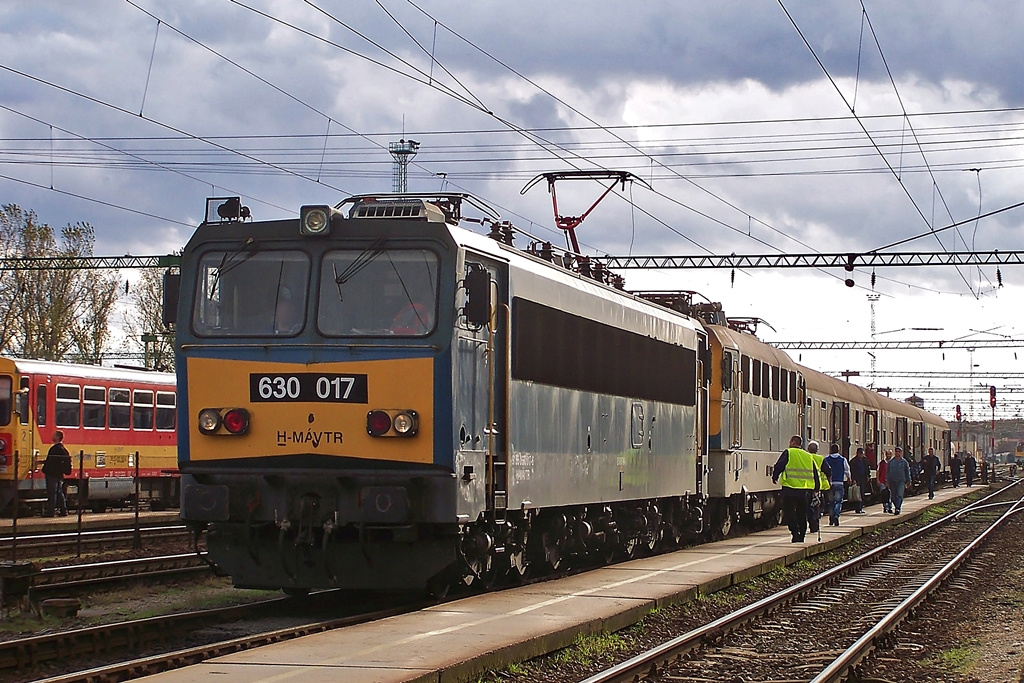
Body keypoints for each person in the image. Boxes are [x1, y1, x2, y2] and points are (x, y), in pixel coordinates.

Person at [772, 435, 825, 543]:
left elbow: (779, 466)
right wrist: (817, 488)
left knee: (789, 512)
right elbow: (815, 473)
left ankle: (795, 533)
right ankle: (802, 535)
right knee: (802, 513)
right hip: (804, 490)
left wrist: (775, 476)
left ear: (792, 442)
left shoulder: (789, 452)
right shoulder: (808, 456)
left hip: (789, 488)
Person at [42, 430, 72, 517]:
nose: (52, 436)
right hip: (58, 474)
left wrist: (45, 468)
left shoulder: (55, 449)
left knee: (52, 492)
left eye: (54, 435)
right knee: (59, 492)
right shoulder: (63, 449)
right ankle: (63, 511)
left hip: (52, 474)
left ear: (58, 437)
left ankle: (51, 512)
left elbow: (51, 462)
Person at [823, 443, 850, 526]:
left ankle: (831, 519)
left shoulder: (826, 459)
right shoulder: (843, 459)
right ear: (838, 450)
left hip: (830, 484)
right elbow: (847, 470)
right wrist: (849, 478)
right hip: (839, 483)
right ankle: (836, 515)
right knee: (838, 501)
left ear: (831, 450)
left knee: (831, 502)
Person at [886, 446, 912, 515]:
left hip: (901, 481)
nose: (898, 453)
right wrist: (887, 481)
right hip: (892, 481)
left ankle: (898, 508)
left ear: (901, 452)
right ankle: (897, 507)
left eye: (899, 451)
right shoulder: (891, 462)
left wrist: (909, 481)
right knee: (893, 496)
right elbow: (888, 472)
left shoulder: (904, 462)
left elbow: (907, 472)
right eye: (896, 451)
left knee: (899, 494)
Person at [849, 447, 870, 514]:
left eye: (862, 453)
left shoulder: (865, 460)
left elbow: (867, 469)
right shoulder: (853, 461)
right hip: (857, 479)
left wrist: (868, 476)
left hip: (863, 478)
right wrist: (853, 479)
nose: (861, 455)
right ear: (857, 453)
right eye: (860, 453)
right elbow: (851, 470)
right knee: (857, 494)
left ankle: (860, 507)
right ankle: (858, 508)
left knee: (861, 493)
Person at [877, 449, 892, 514]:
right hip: (882, 481)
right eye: (887, 454)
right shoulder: (882, 463)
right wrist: (878, 480)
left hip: (891, 482)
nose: (888, 455)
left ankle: (890, 507)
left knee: (890, 495)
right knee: (884, 495)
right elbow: (878, 471)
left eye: (890, 454)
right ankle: (885, 507)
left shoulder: (893, 462)